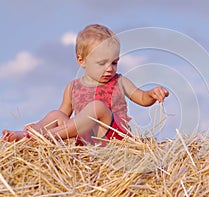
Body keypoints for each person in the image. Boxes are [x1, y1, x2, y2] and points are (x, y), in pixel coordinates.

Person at [2, 24, 169, 146]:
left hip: (114, 138)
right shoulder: (72, 87)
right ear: (82, 61)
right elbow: (63, 117)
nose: (110, 69)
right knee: (55, 114)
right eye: (102, 63)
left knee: (97, 107)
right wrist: (49, 124)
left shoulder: (119, 81)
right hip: (85, 140)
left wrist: (151, 94)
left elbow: (141, 97)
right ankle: (28, 135)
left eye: (114, 62)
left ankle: (45, 137)